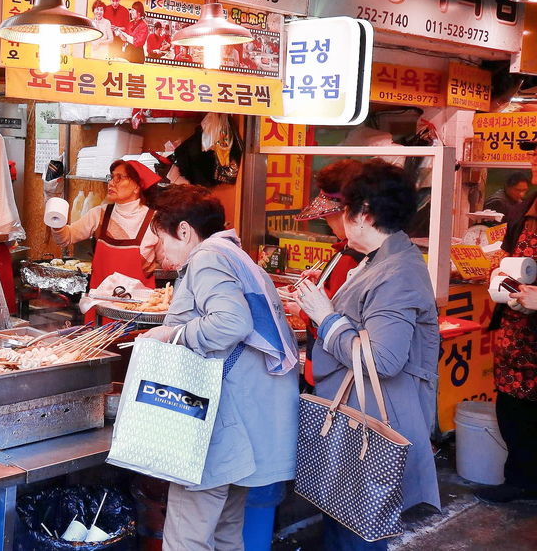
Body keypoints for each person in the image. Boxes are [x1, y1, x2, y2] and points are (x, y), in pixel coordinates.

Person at [139, 185, 299, 551]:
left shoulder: (208, 257)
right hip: (247, 425)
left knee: (186, 536)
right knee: (227, 531)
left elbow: (232, 323)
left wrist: (172, 334)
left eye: (160, 240)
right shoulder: (235, 255)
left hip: (220, 424)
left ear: (184, 231)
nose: (158, 251)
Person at [296, 160, 440, 550]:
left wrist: (326, 318)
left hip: (373, 417)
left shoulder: (396, 272)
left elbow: (382, 360)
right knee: (345, 518)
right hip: (358, 410)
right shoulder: (379, 260)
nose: (339, 219)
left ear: (363, 214)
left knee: (359, 527)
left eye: (344, 210)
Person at [475, 139, 537, 503]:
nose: (533, 159)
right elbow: (512, 255)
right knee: (514, 407)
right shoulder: (527, 205)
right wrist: (498, 267)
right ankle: (522, 479)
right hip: (518, 335)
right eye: (532, 151)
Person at [287, 159, 365, 387]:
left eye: (328, 213)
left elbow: (340, 319)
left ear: (350, 212)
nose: (323, 218)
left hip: (333, 374)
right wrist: (322, 279)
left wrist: (302, 311)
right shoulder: (346, 250)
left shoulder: (355, 256)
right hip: (326, 368)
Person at [54, 160, 162, 323]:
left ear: (137, 186)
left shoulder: (155, 221)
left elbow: (167, 263)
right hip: (100, 311)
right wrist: (56, 223)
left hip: (138, 313)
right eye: (111, 177)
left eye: (120, 178)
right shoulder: (99, 214)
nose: (111, 182)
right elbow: (66, 238)